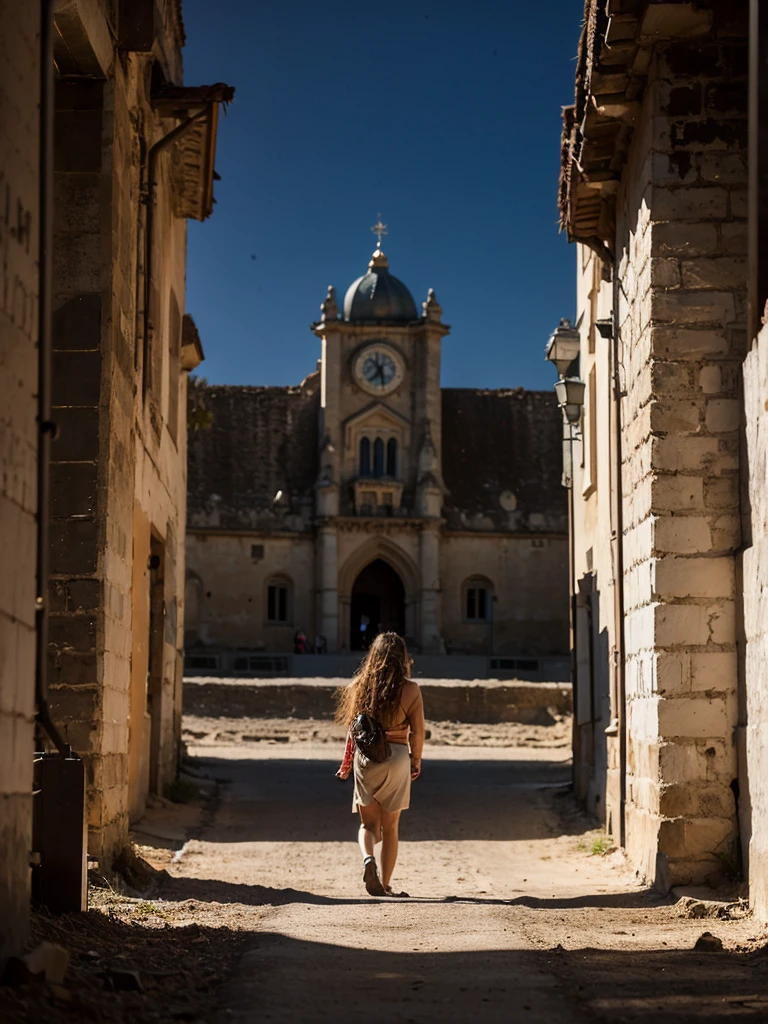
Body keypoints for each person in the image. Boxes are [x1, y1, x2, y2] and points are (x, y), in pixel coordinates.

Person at [334, 632, 425, 897]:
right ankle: (385, 885)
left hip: (367, 759)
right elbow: (418, 732)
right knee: (391, 827)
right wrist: (415, 760)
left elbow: (353, 730)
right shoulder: (410, 689)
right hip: (397, 757)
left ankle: (367, 858)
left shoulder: (359, 686)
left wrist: (348, 762)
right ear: (402, 658)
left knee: (369, 827)